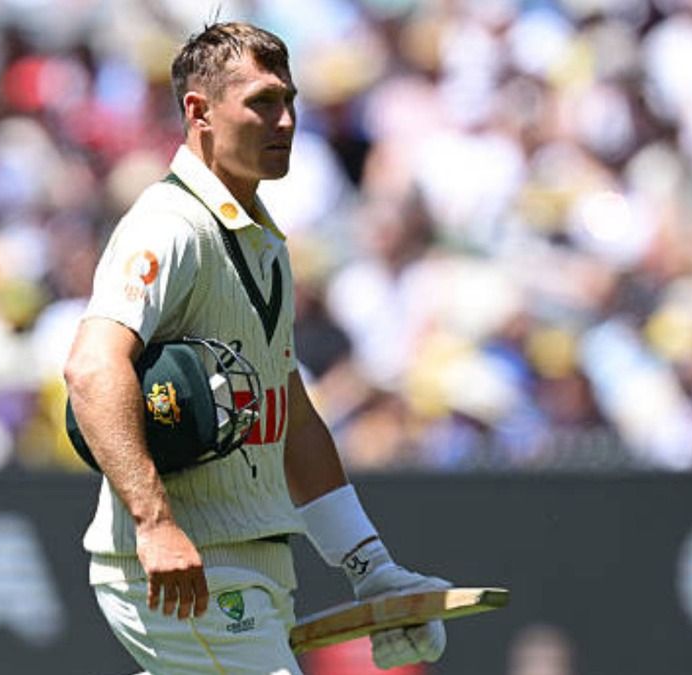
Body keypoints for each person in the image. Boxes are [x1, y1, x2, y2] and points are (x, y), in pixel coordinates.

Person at [64, 21, 449, 674]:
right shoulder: (169, 226)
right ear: (199, 112)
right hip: (185, 571)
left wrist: (372, 568)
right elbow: (91, 366)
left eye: (289, 101)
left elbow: (289, 413)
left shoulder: (264, 241)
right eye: (263, 102)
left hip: (250, 565)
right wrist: (154, 523)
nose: (286, 121)